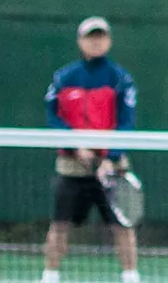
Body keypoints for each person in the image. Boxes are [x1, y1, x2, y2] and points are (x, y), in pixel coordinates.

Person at [42, 17, 138, 283]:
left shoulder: (121, 79)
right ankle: (50, 276)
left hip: (111, 167)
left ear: (108, 41)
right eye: (90, 37)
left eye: (101, 36)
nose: (96, 41)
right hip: (71, 165)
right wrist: (76, 146)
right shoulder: (63, 78)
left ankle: (131, 277)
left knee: (122, 226)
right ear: (80, 42)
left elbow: (126, 121)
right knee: (59, 225)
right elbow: (53, 117)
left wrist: (111, 157)